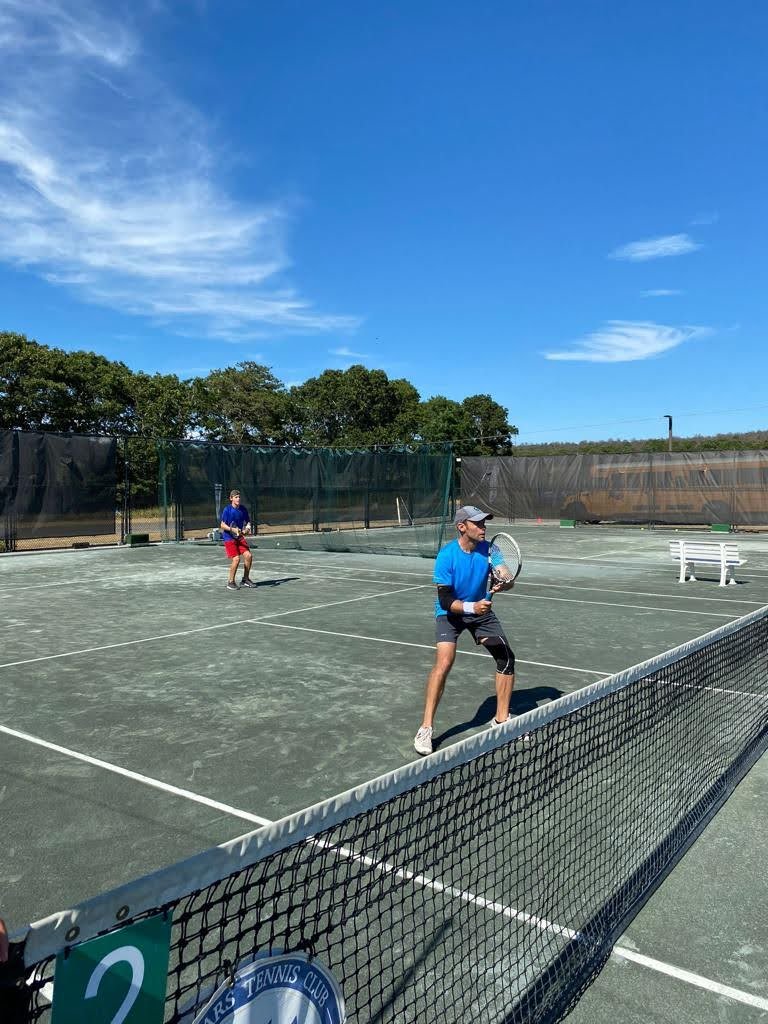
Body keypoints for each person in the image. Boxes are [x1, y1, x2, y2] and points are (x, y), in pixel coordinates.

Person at [414, 506, 517, 756]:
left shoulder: (491, 550)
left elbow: (506, 575)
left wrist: (504, 581)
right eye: (478, 524)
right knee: (444, 662)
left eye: (484, 523)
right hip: (450, 614)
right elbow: (445, 600)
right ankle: (426, 728)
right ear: (462, 527)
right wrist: (472, 607)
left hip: (481, 614)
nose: (483, 528)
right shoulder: (446, 556)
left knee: (506, 657)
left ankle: (501, 719)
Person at [220, 489, 255, 590]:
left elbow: (248, 522)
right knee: (236, 559)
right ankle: (230, 582)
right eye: (236, 497)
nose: (238, 499)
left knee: (248, 556)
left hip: (239, 537)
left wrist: (247, 529)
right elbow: (222, 525)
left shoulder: (243, 509)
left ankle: (245, 579)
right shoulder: (227, 510)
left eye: (239, 497)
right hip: (229, 538)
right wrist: (233, 529)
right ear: (231, 498)